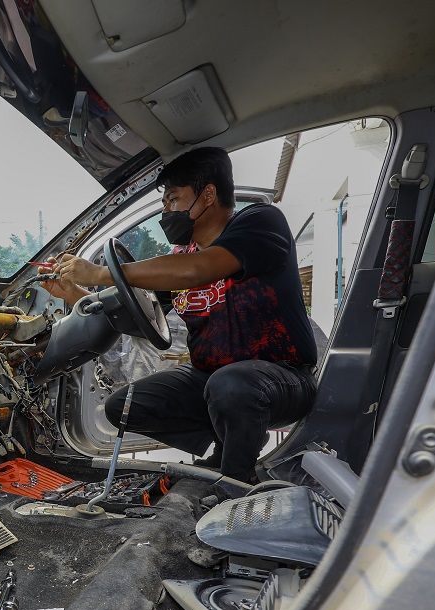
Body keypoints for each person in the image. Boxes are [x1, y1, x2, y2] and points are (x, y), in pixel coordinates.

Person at [40, 147, 317, 483]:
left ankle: (238, 483)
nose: (165, 211)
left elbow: (195, 270)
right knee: (124, 407)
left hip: (282, 379)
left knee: (231, 385)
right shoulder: (179, 257)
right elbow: (134, 311)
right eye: (163, 202)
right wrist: (73, 293)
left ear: (208, 195)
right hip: (212, 380)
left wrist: (100, 273)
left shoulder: (259, 223)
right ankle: (226, 447)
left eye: (173, 199)